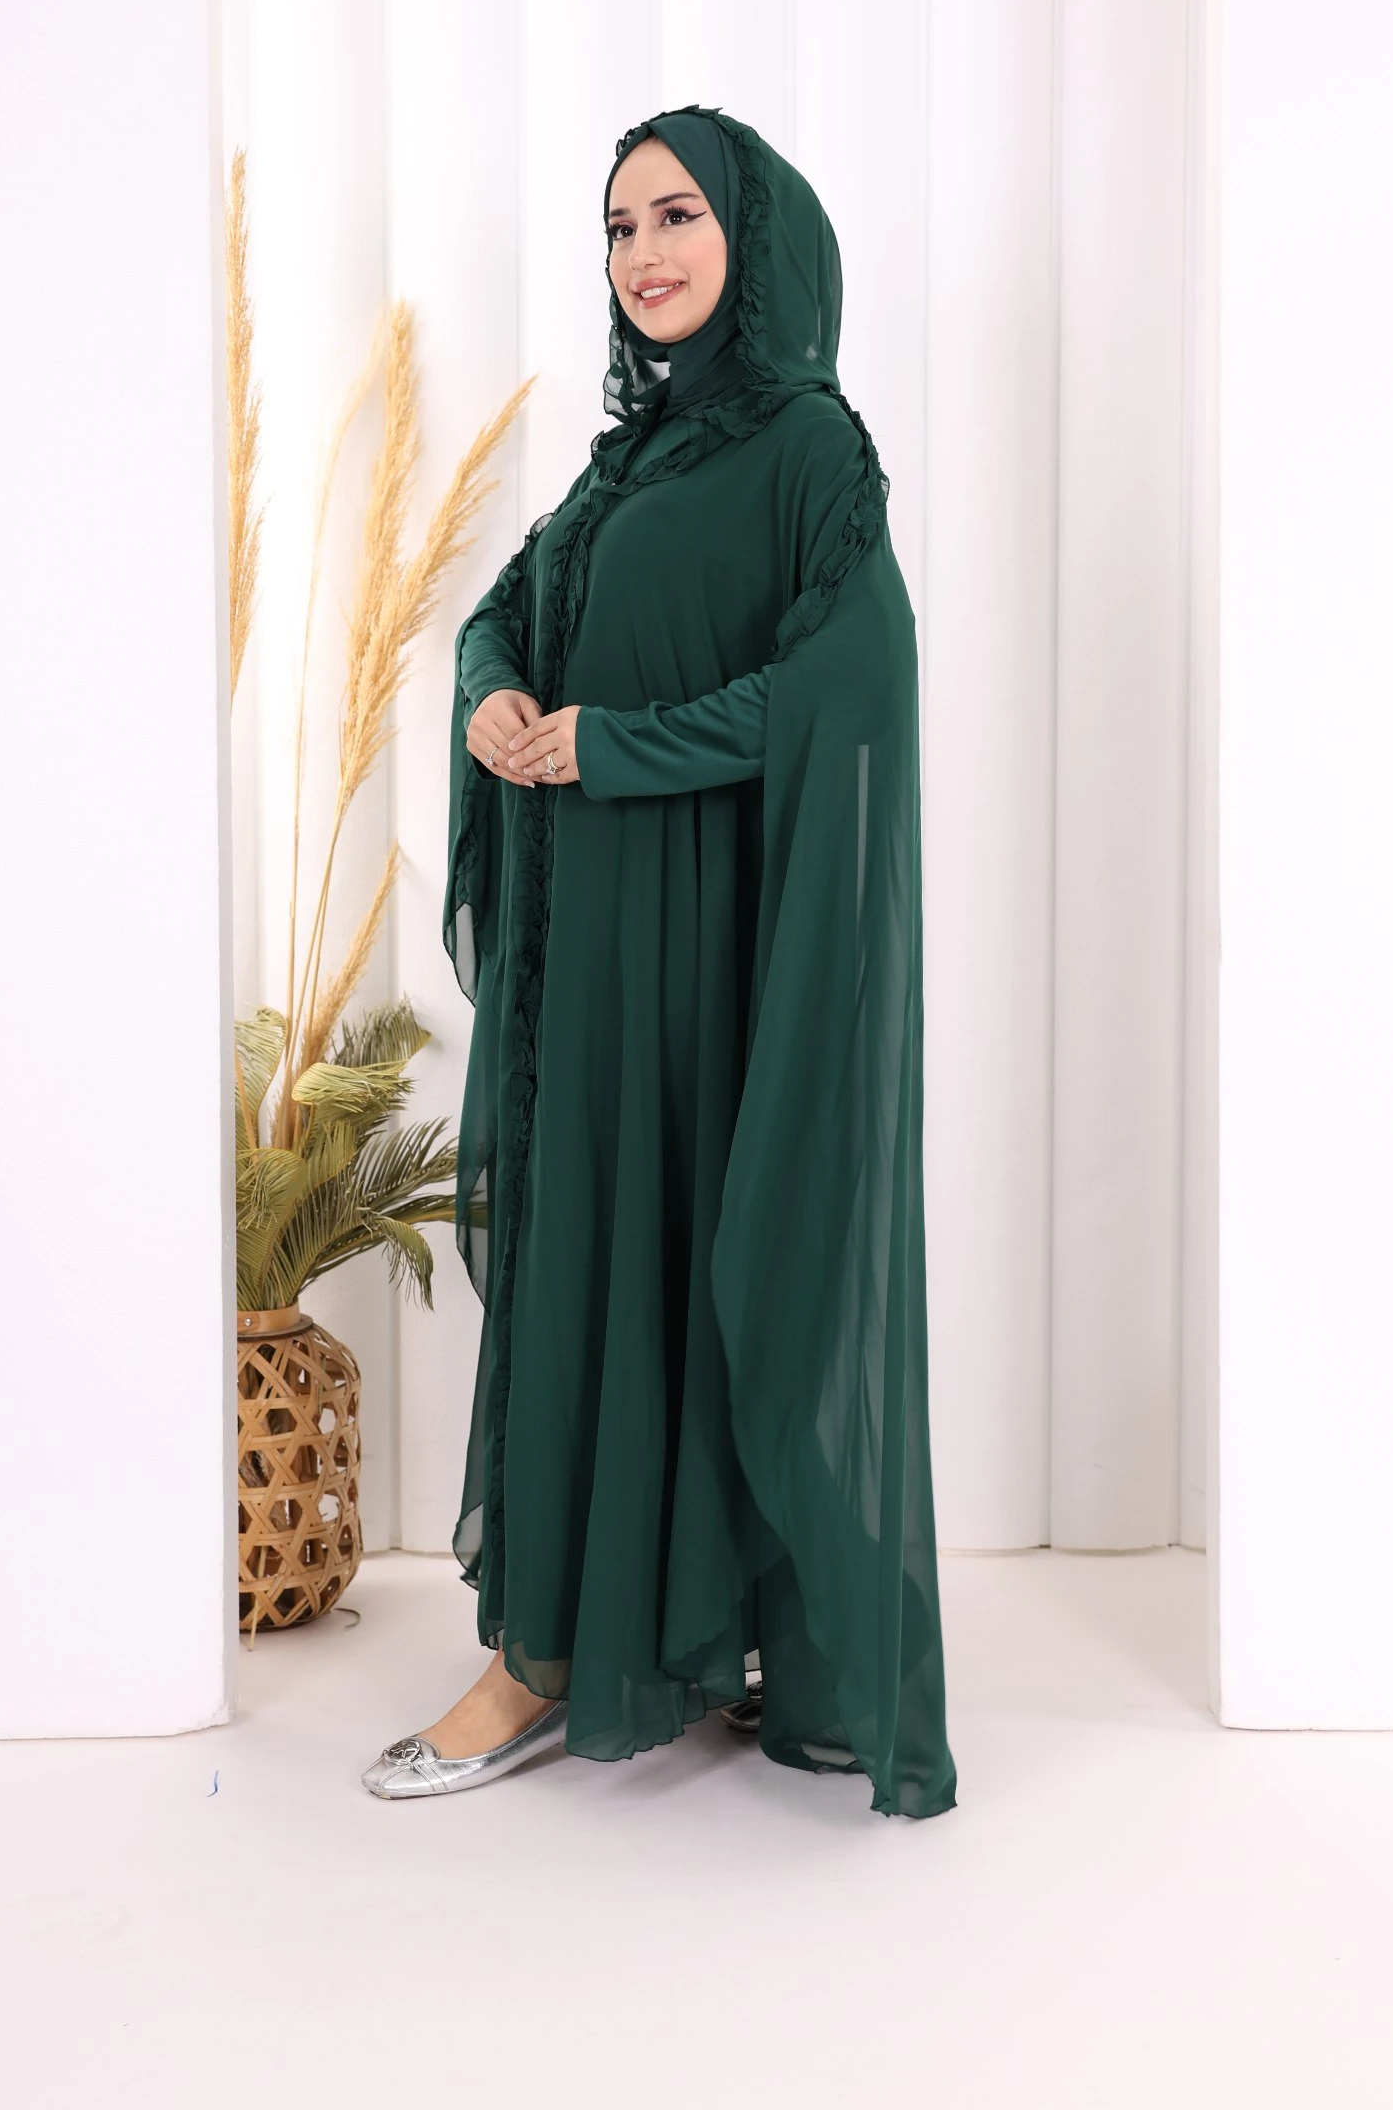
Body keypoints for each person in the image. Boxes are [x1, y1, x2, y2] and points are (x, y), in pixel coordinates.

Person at [362, 106, 957, 1820]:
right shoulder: (631, 460)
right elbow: (509, 607)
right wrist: (492, 689)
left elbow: (842, 688)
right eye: (619, 227)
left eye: (677, 215)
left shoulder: (809, 450)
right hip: (593, 956)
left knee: (702, 1268)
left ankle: (662, 1638)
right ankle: (553, 1653)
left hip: (713, 954)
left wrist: (611, 748)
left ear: (752, 239)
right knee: (593, 1266)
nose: (642, 254)